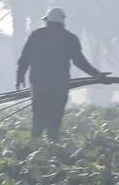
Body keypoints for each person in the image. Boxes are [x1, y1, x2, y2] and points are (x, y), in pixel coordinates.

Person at [15, 8, 108, 141]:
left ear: (48, 21)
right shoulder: (69, 38)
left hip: (39, 84)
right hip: (59, 84)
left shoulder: (36, 35)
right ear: (62, 21)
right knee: (55, 118)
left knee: (39, 117)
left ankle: (34, 144)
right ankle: (53, 146)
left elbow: (25, 58)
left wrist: (20, 77)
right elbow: (79, 61)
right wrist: (97, 75)